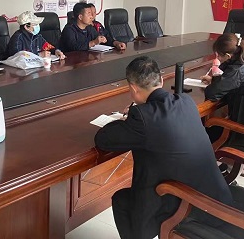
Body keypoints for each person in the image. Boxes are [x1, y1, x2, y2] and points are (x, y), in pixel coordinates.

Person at [94, 56, 232, 239]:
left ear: (133, 88)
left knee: (122, 200)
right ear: (160, 80)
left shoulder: (143, 117)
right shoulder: (186, 101)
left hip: (189, 206)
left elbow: (103, 139)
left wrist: (130, 118)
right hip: (215, 199)